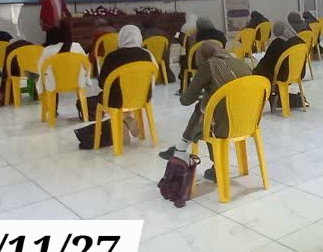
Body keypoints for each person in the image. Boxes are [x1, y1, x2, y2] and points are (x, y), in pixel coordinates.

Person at [158, 41, 252, 182]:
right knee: (210, 105)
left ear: (201, 58)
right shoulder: (240, 63)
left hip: (225, 125)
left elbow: (186, 100)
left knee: (205, 112)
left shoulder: (209, 66)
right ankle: (181, 147)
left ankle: (210, 162)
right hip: (248, 120)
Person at [94, 25, 157, 136]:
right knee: (129, 94)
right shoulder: (147, 55)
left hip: (117, 100)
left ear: (120, 38)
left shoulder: (112, 57)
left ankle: (122, 122)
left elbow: (102, 83)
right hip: (142, 98)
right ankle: (127, 119)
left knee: (111, 96)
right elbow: (153, 77)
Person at [36, 29, 91, 118]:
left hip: (54, 83)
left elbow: (40, 69)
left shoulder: (47, 50)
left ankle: (53, 111)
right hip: (77, 81)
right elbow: (86, 64)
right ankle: (84, 113)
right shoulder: (77, 46)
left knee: (49, 78)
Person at [253, 20, 307, 109]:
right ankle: (291, 99)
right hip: (298, 73)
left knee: (260, 73)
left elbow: (266, 60)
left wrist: (254, 71)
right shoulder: (300, 41)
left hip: (283, 75)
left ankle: (269, 98)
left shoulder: (278, 42)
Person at [178, 16, 228, 91]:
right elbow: (224, 47)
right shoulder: (220, 34)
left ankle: (184, 88)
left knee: (183, 62)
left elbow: (191, 50)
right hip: (219, 62)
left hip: (198, 64)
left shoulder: (194, 36)